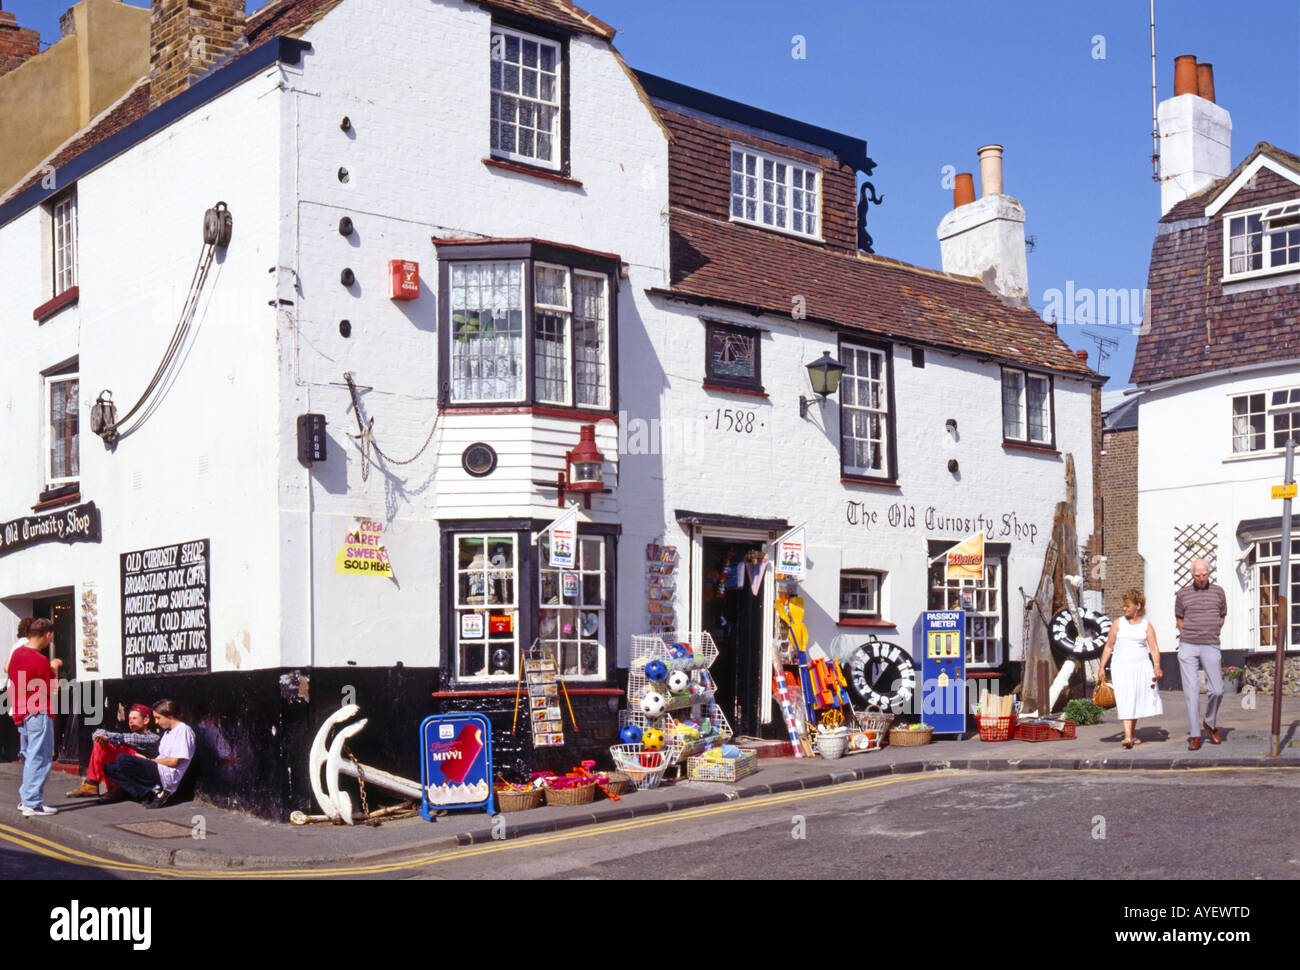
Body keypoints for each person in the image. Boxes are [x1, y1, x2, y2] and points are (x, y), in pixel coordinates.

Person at [9, 618, 63, 816]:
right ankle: (32, 802)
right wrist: (55, 666)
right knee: (40, 757)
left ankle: (28, 799)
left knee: (31, 756)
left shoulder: (17, 654)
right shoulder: (40, 660)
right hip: (39, 711)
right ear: (47, 635)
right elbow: (53, 689)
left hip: (22, 711)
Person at [1098, 589, 1163, 749]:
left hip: (1141, 667)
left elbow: (1153, 648)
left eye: (1128, 606)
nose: (1124, 609)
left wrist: (1157, 666)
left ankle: (1132, 735)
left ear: (1138, 606)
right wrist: (1102, 667)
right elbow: (1109, 646)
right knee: (1125, 698)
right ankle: (1127, 736)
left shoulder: (1146, 626)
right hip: (1121, 666)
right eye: (1124, 606)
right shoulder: (1118, 623)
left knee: (1135, 699)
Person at [1175, 559, 1227, 751]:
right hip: (1188, 645)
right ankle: (1195, 735)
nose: (1201, 578)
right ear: (1192, 575)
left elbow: (1222, 617)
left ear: (1209, 573)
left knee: (1217, 690)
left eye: (1204, 574)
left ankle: (1210, 723)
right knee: (1191, 692)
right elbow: (1179, 619)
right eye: (1197, 575)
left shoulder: (1219, 592)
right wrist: (1189, 634)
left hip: (1211, 644)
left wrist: (1209, 630)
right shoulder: (1182, 594)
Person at [103, 699, 195, 808]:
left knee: (123, 759)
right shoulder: (167, 732)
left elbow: (174, 761)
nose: (156, 722)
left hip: (166, 774)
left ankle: (156, 790)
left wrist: (149, 761)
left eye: (158, 718)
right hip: (159, 767)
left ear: (169, 716)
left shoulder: (183, 731)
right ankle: (148, 793)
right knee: (110, 768)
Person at [66, 704, 160, 799]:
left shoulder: (153, 738)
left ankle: (108, 787)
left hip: (147, 775)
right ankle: (95, 784)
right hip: (131, 771)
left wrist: (107, 737)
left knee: (120, 747)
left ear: (146, 720)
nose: (131, 722)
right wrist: (101, 736)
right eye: (129, 719)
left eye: (134, 718)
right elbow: (99, 732)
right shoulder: (129, 735)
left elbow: (128, 738)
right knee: (102, 744)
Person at [0, 617, 34, 762]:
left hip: (13, 686)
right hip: (25, 687)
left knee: (21, 720)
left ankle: (23, 751)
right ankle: (26, 752)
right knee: (29, 719)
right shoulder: (28, 645)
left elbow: (6, 667)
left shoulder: (16, 645)